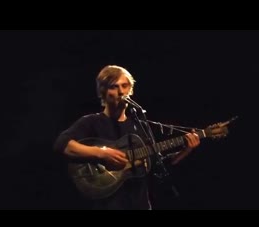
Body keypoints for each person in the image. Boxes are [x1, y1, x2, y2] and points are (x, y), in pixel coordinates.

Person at [53, 65, 200, 210]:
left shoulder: (140, 126)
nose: (121, 91)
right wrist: (101, 153)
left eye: (125, 86)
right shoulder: (91, 122)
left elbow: (158, 165)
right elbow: (62, 144)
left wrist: (186, 149)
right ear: (103, 92)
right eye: (114, 87)